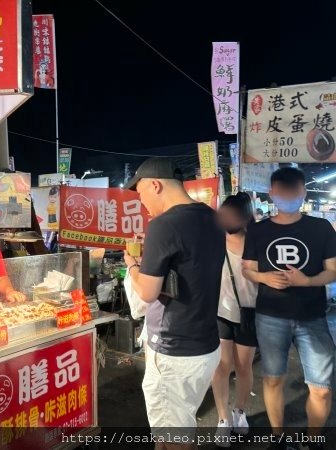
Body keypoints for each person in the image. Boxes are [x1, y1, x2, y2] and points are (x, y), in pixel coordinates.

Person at [123, 157, 225, 450]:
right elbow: (190, 268)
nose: (142, 202)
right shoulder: (211, 217)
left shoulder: (164, 225)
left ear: (155, 185)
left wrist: (132, 266)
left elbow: (147, 292)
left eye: (141, 193)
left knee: (175, 439)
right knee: (172, 430)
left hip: (173, 350)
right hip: (205, 345)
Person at [242, 167, 336, 448]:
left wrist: (307, 281)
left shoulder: (321, 228)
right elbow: (247, 269)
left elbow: (333, 270)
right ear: (271, 194)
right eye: (281, 192)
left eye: (292, 192)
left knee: (320, 388)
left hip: (313, 316)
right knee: (272, 380)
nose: (287, 197)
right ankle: (278, 437)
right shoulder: (258, 230)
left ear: (303, 193)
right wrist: (264, 277)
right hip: (271, 316)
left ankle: (312, 441)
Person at [211, 193, 258, 446]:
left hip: (249, 313)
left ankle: (239, 410)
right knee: (221, 365)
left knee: (243, 366)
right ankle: (222, 418)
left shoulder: (257, 243)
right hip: (220, 312)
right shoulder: (215, 241)